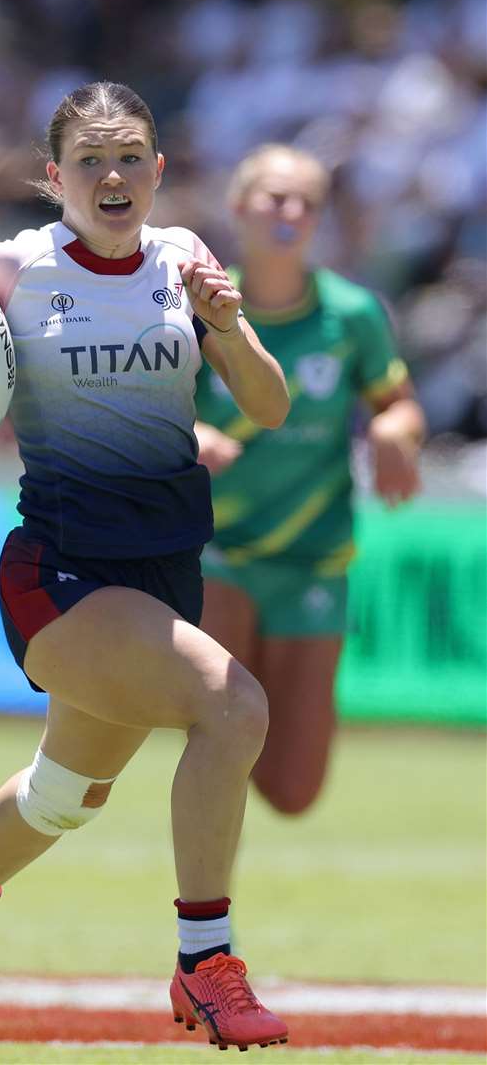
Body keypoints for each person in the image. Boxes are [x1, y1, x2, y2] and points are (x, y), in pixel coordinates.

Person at [0, 82, 293, 1050]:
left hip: (162, 575)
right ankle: (202, 965)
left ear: (158, 169)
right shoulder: (9, 269)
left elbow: (268, 405)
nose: (111, 175)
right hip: (57, 576)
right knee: (233, 708)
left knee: (62, 798)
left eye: (129, 155)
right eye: (88, 160)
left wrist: (224, 325)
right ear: (53, 179)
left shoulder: (182, 260)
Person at [194, 145, 424, 816]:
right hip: (219, 552)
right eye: (273, 197)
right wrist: (190, 438)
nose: (289, 212)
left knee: (293, 791)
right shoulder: (198, 307)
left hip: (313, 560)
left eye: (306, 202)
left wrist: (391, 433)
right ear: (237, 208)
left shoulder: (351, 315)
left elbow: (400, 405)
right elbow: (152, 412)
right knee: (221, 741)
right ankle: (208, 920)